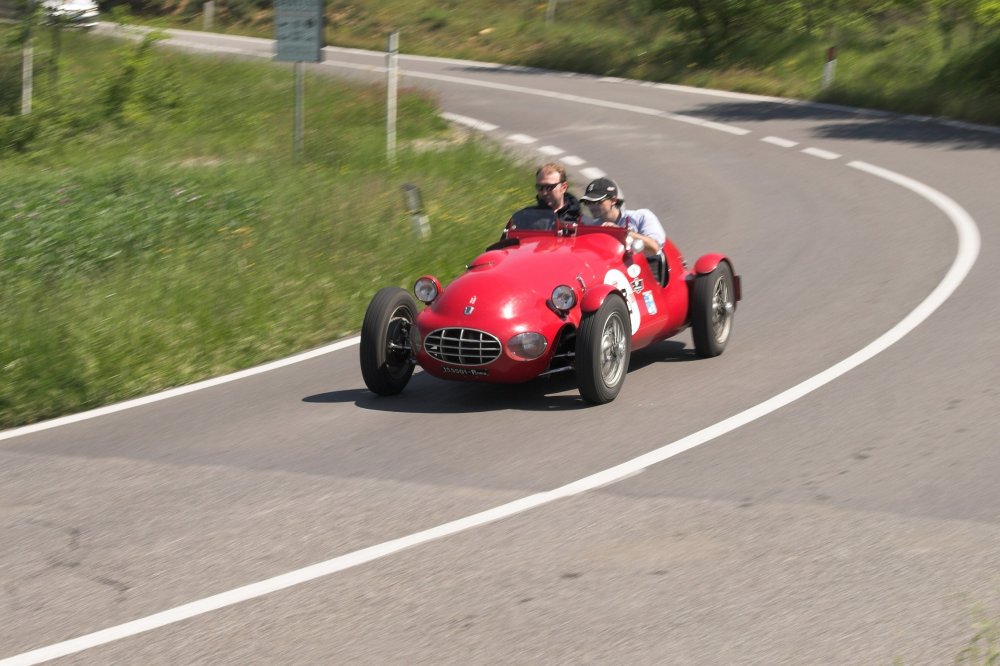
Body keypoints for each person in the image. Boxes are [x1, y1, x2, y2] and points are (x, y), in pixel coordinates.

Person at [580, 177, 665, 255]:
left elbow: (654, 247)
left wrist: (620, 232)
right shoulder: (593, 228)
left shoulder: (641, 216)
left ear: (613, 200)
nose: (592, 207)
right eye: (588, 202)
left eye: (597, 202)